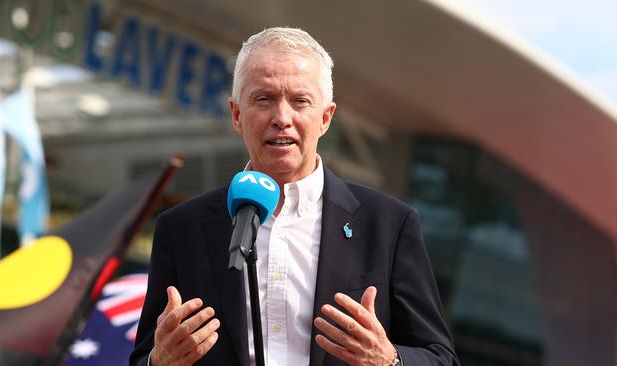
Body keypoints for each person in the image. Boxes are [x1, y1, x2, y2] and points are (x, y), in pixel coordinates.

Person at [130, 27, 459, 366]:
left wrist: (388, 359)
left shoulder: (389, 224)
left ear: (326, 118)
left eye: (300, 101)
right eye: (264, 99)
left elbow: (441, 359)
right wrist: (160, 362)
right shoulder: (181, 228)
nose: (282, 118)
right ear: (237, 115)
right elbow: (143, 358)